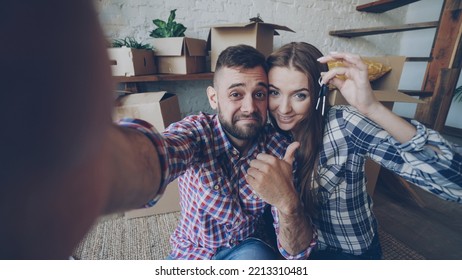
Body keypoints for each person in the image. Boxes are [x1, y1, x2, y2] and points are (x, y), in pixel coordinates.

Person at [246, 42, 462, 260]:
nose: (283, 109)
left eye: (300, 95)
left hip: (346, 253)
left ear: (319, 95)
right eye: (275, 92)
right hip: (294, 245)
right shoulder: (266, 130)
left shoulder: (344, 123)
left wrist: (372, 108)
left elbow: (455, 182)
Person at [120, 44, 315, 260]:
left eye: (259, 94)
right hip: (191, 251)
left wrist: (287, 202)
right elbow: (165, 150)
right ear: (214, 98)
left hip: (248, 250)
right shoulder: (197, 132)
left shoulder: (280, 150)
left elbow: (297, 255)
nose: (249, 107)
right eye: (236, 94)